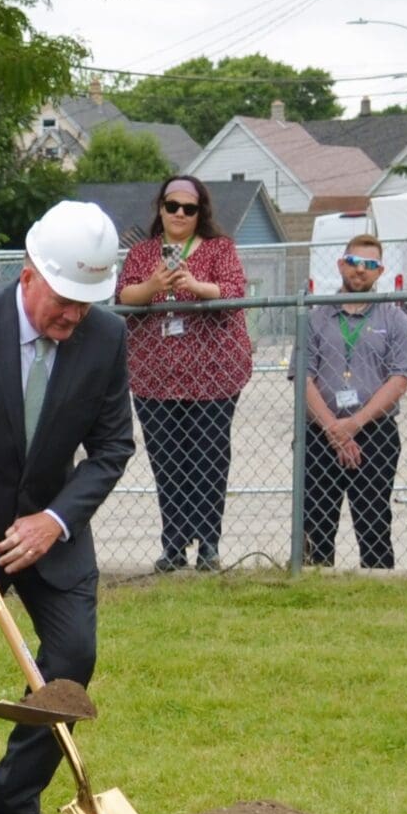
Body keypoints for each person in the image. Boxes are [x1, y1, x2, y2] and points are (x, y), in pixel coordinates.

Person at [0, 200, 135, 814]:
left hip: (53, 531)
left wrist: (56, 519)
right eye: (65, 300)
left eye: (87, 303)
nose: (75, 316)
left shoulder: (106, 339)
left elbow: (113, 447)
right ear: (29, 274)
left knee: (73, 655)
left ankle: (14, 802)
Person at [116, 176, 251, 572]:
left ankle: (208, 544)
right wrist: (153, 285)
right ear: (160, 208)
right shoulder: (142, 254)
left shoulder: (219, 249)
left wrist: (195, 285)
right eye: (171, 206)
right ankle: (173, 544)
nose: (179, 214)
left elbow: (234, 292)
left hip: (213, 378)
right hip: (154, 378)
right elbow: (124, 296)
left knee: (209, 458)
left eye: (188, 209)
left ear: (200, 213)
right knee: (167, 460)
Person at [299, 232, 407, 571]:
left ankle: (378, 588)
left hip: (375, 434)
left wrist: (354, 424)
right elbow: (303, 378)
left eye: (370, 264)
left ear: (380, 272)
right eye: (354, 262)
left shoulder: (394, 319)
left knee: (374, 521)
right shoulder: (314, 317)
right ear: (340, 265)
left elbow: (399, 379)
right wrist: (334, 428)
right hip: (320, 435)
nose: (360, 270)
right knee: (316, 523)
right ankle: (313, 587)